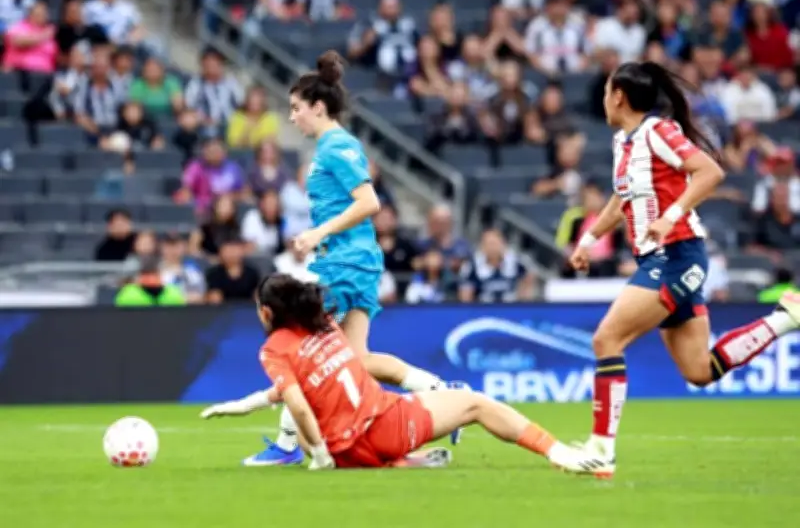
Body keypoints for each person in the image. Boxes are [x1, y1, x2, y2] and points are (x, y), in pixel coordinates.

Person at [561, 61, 800, 478]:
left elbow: (710, 172)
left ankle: (601, 449)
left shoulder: (658, 131)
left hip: (675, 256)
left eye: (606, 92)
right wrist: (588, 240)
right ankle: (785, 320)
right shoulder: (623, 142)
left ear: (619, 96)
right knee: (699, 371)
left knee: (607, 339)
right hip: (661, 258)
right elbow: (621, 199)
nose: (603, 100)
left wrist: (670, 216)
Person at [243, 51, 456, 467]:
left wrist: (318, 233)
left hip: (344, 263)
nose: (292, 117)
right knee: (356, 359)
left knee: (304, 344)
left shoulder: (336, 147)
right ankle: (437, 391)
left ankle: (287, 445)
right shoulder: (335, 146)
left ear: (318, 107)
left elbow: (369, 201)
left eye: (296, 108)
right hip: (354, 261)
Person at [200, 274, 595, 471]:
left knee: (305, 408)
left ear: (267, 313)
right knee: (475, 404)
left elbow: (297, 404)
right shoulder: (327, 325)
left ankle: (402, 460)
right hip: (386, 427)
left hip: (344, 452)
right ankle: (558, 452)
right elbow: (298, 403)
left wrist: (319, 456)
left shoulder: (274, 349)